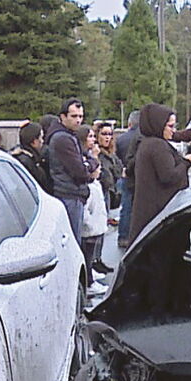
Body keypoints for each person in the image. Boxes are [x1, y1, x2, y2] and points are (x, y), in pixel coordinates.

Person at [128, 103, 191, 243]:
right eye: (170, 126)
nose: (173, 131)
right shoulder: (158, 146)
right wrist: (187, 162)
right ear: (158, 125)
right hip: (158, 214)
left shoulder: (148, 144)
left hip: (151, 212)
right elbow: (168, 176)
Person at [46, 98, 98, 245]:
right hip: (69, 194)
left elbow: (86, 160)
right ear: (63, 117)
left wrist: (89, 163)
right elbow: (80, 171)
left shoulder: (69, 135)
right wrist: (90, 166)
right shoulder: (62, 138)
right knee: (73, 243)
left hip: (73, 193)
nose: (78, 120)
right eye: (74, 116)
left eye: (80, 116)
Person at [76, 125, 109, 295]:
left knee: (92, 250)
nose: (93, 140)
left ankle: (90, 272)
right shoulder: (84, 161)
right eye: (89, 137)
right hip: (90, 226)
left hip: (96, 224)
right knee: (87, 251)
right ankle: (88, 279)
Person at [115, 110, 140, 249]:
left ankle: (123, 236)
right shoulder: (143, 138)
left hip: (126, 176)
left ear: (130, 123)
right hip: (140, 178)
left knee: (126, 208)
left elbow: (118, 157)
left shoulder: (121, 139)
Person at [10, 122, 52, 194]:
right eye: (41, 138)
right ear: (34, 142)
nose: (42, 141)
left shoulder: (30, 158)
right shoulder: (27, 162)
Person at [95, 122, 122, 218]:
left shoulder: (113, 155)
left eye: (109, 134)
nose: (107, 137)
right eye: (104, 134)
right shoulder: (95, 154)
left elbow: (119, 171)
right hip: (101, 193)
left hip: (112, 195)